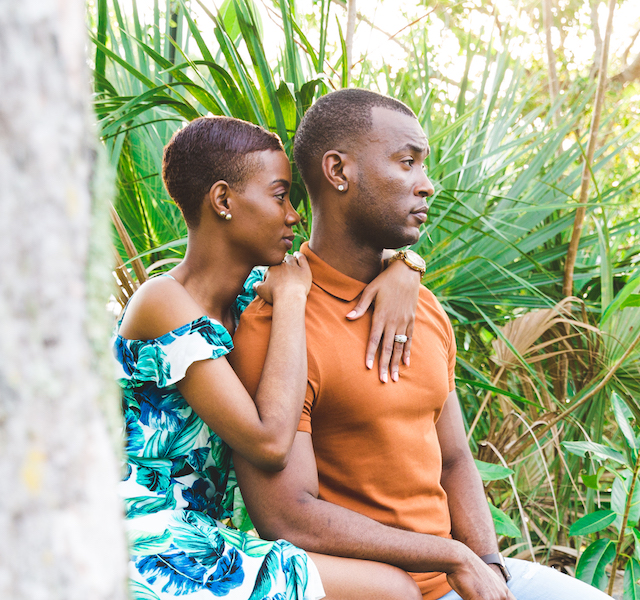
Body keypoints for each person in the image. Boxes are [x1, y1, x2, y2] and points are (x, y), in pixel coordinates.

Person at [229, 89, 614, 600]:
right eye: (406, 162)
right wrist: (452, 555)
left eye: (423, 166)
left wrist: (491, 569)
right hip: (381, 589)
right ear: (338, 171)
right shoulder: (276, 324)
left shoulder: (424, 307)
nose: (427, 185)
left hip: (462, 574)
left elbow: (455, 459)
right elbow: (288, 517)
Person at [114, 115, 426, 600]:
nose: (294, 215)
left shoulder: (248, 302)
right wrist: (295, 300)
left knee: (389, 584)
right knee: (391, 589)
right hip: (138, 537)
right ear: (223, 201)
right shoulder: (163, 301)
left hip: (199, 533)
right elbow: (268, 442)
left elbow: (345, 258)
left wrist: (407, 265)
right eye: (280, 196)